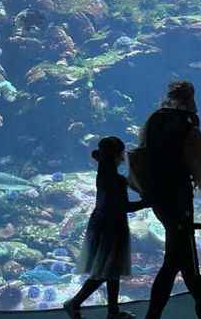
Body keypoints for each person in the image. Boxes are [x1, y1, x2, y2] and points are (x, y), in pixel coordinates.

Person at [139, 80, 201, 319]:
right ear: (190, 98)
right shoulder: (187, 123)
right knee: (177, 258)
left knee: (182, 257)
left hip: (158, 197)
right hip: (179, 197)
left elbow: (142, 152)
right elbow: (199, 159)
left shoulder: (153, 119)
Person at [63, 136, 148, 319]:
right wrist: (147, 203)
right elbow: (124, 207)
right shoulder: (115, 179)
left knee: (112, 271)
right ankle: (75, 302)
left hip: (101, 222)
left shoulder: (104, 174)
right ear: (118, 155)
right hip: (112, 225)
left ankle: (113, 311)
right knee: (105, 271)